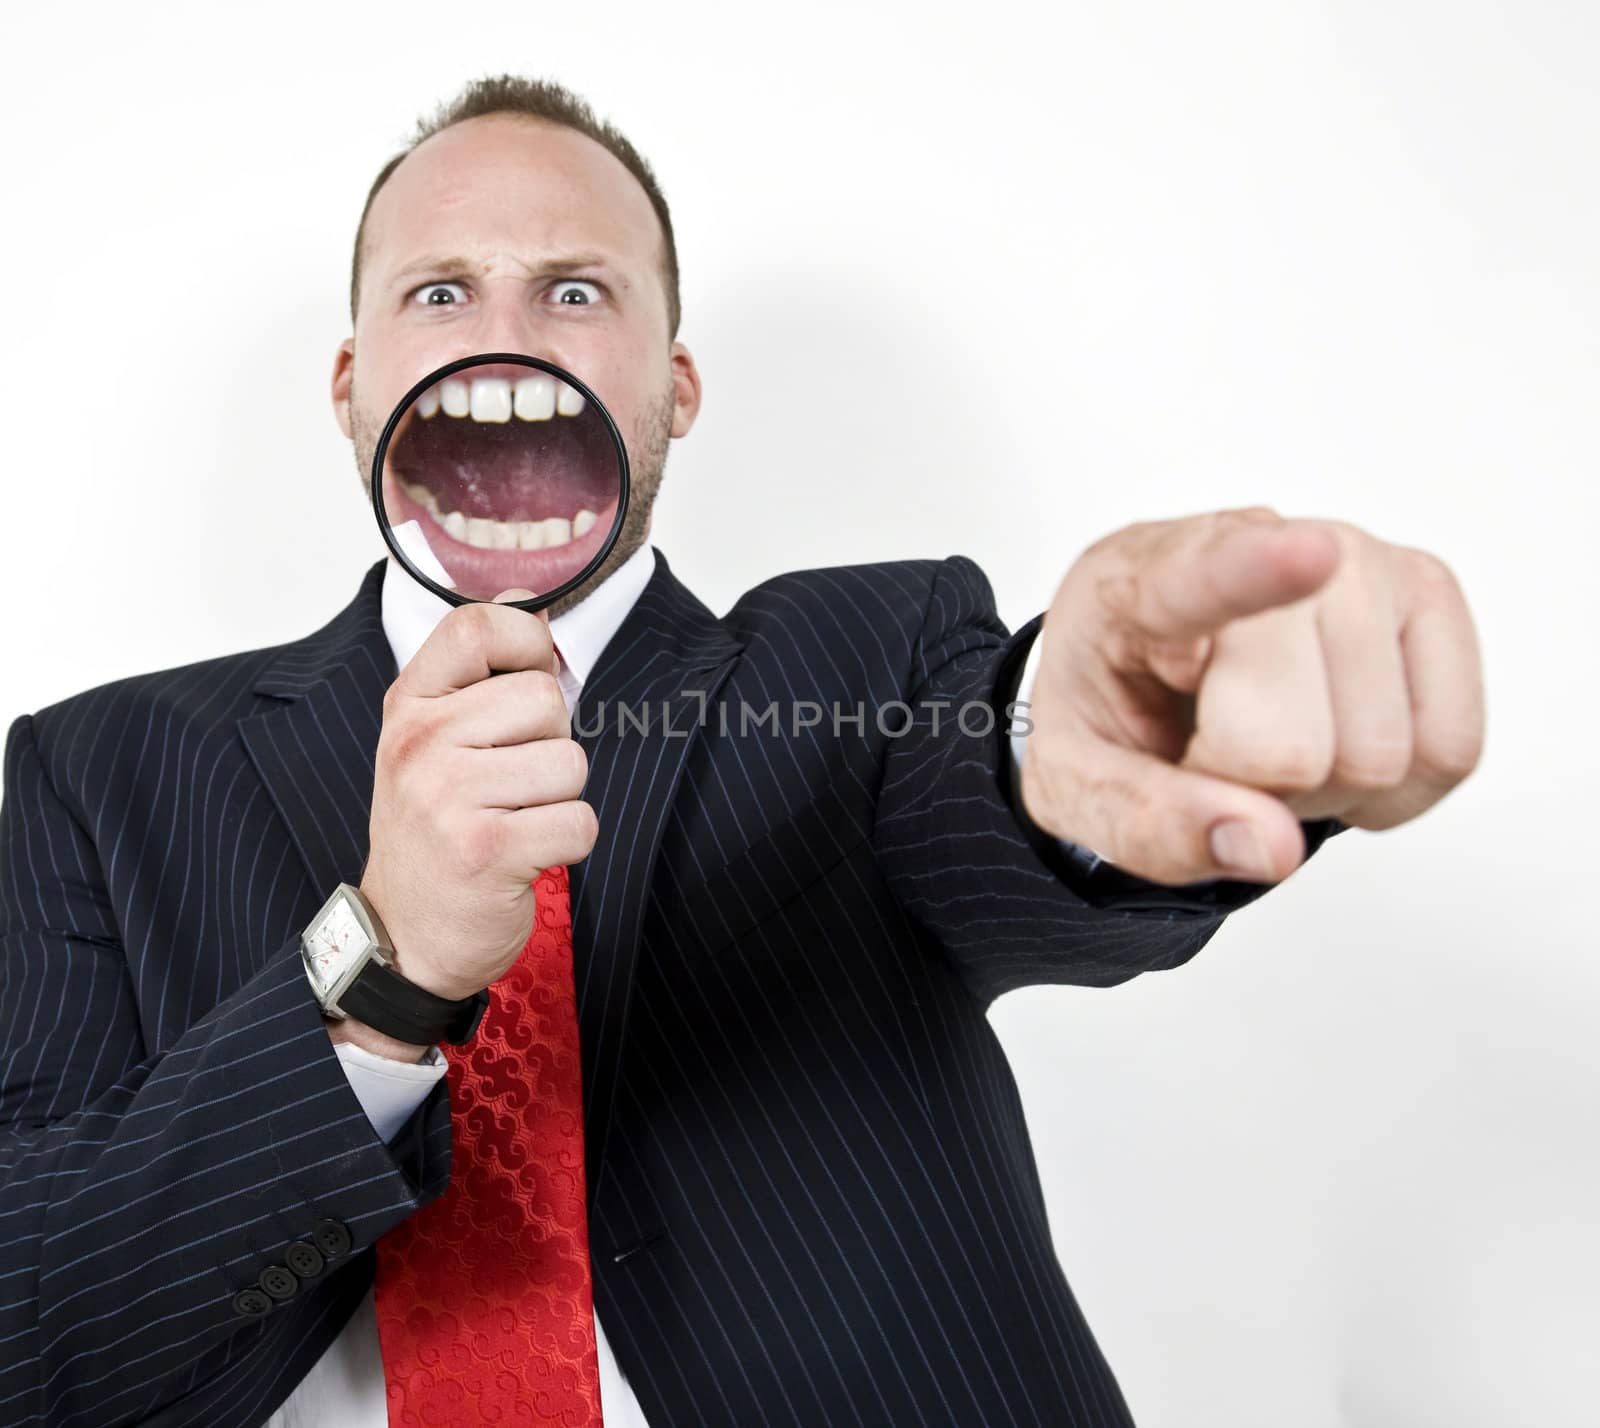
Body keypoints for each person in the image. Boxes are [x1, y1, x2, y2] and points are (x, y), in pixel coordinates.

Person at [0, 74, 1484, 1428]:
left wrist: (1073, 738)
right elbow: (38, 1339)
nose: (507, 331)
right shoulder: (100, 772)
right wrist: (379, 974)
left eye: (575, 288)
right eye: (441, 289)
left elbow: (990, 776)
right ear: (348, 384)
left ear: (677, 388)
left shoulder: (864, 668)